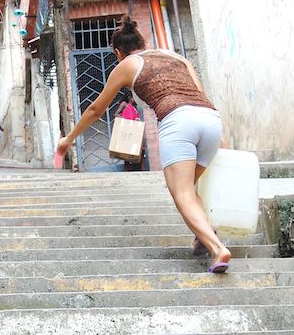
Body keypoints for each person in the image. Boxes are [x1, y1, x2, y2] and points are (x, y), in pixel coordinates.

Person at [57, 15, 231, 273]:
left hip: (177, 121)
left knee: (180, 192)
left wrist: (67, 140)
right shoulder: (177, 58)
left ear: (118, 52)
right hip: (211, 120)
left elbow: (95, 109)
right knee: (189, 187)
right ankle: (202, 235)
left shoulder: (127, 64)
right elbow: (200, 95)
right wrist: (222, 140)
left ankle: (218, 248)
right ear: (144, 41)